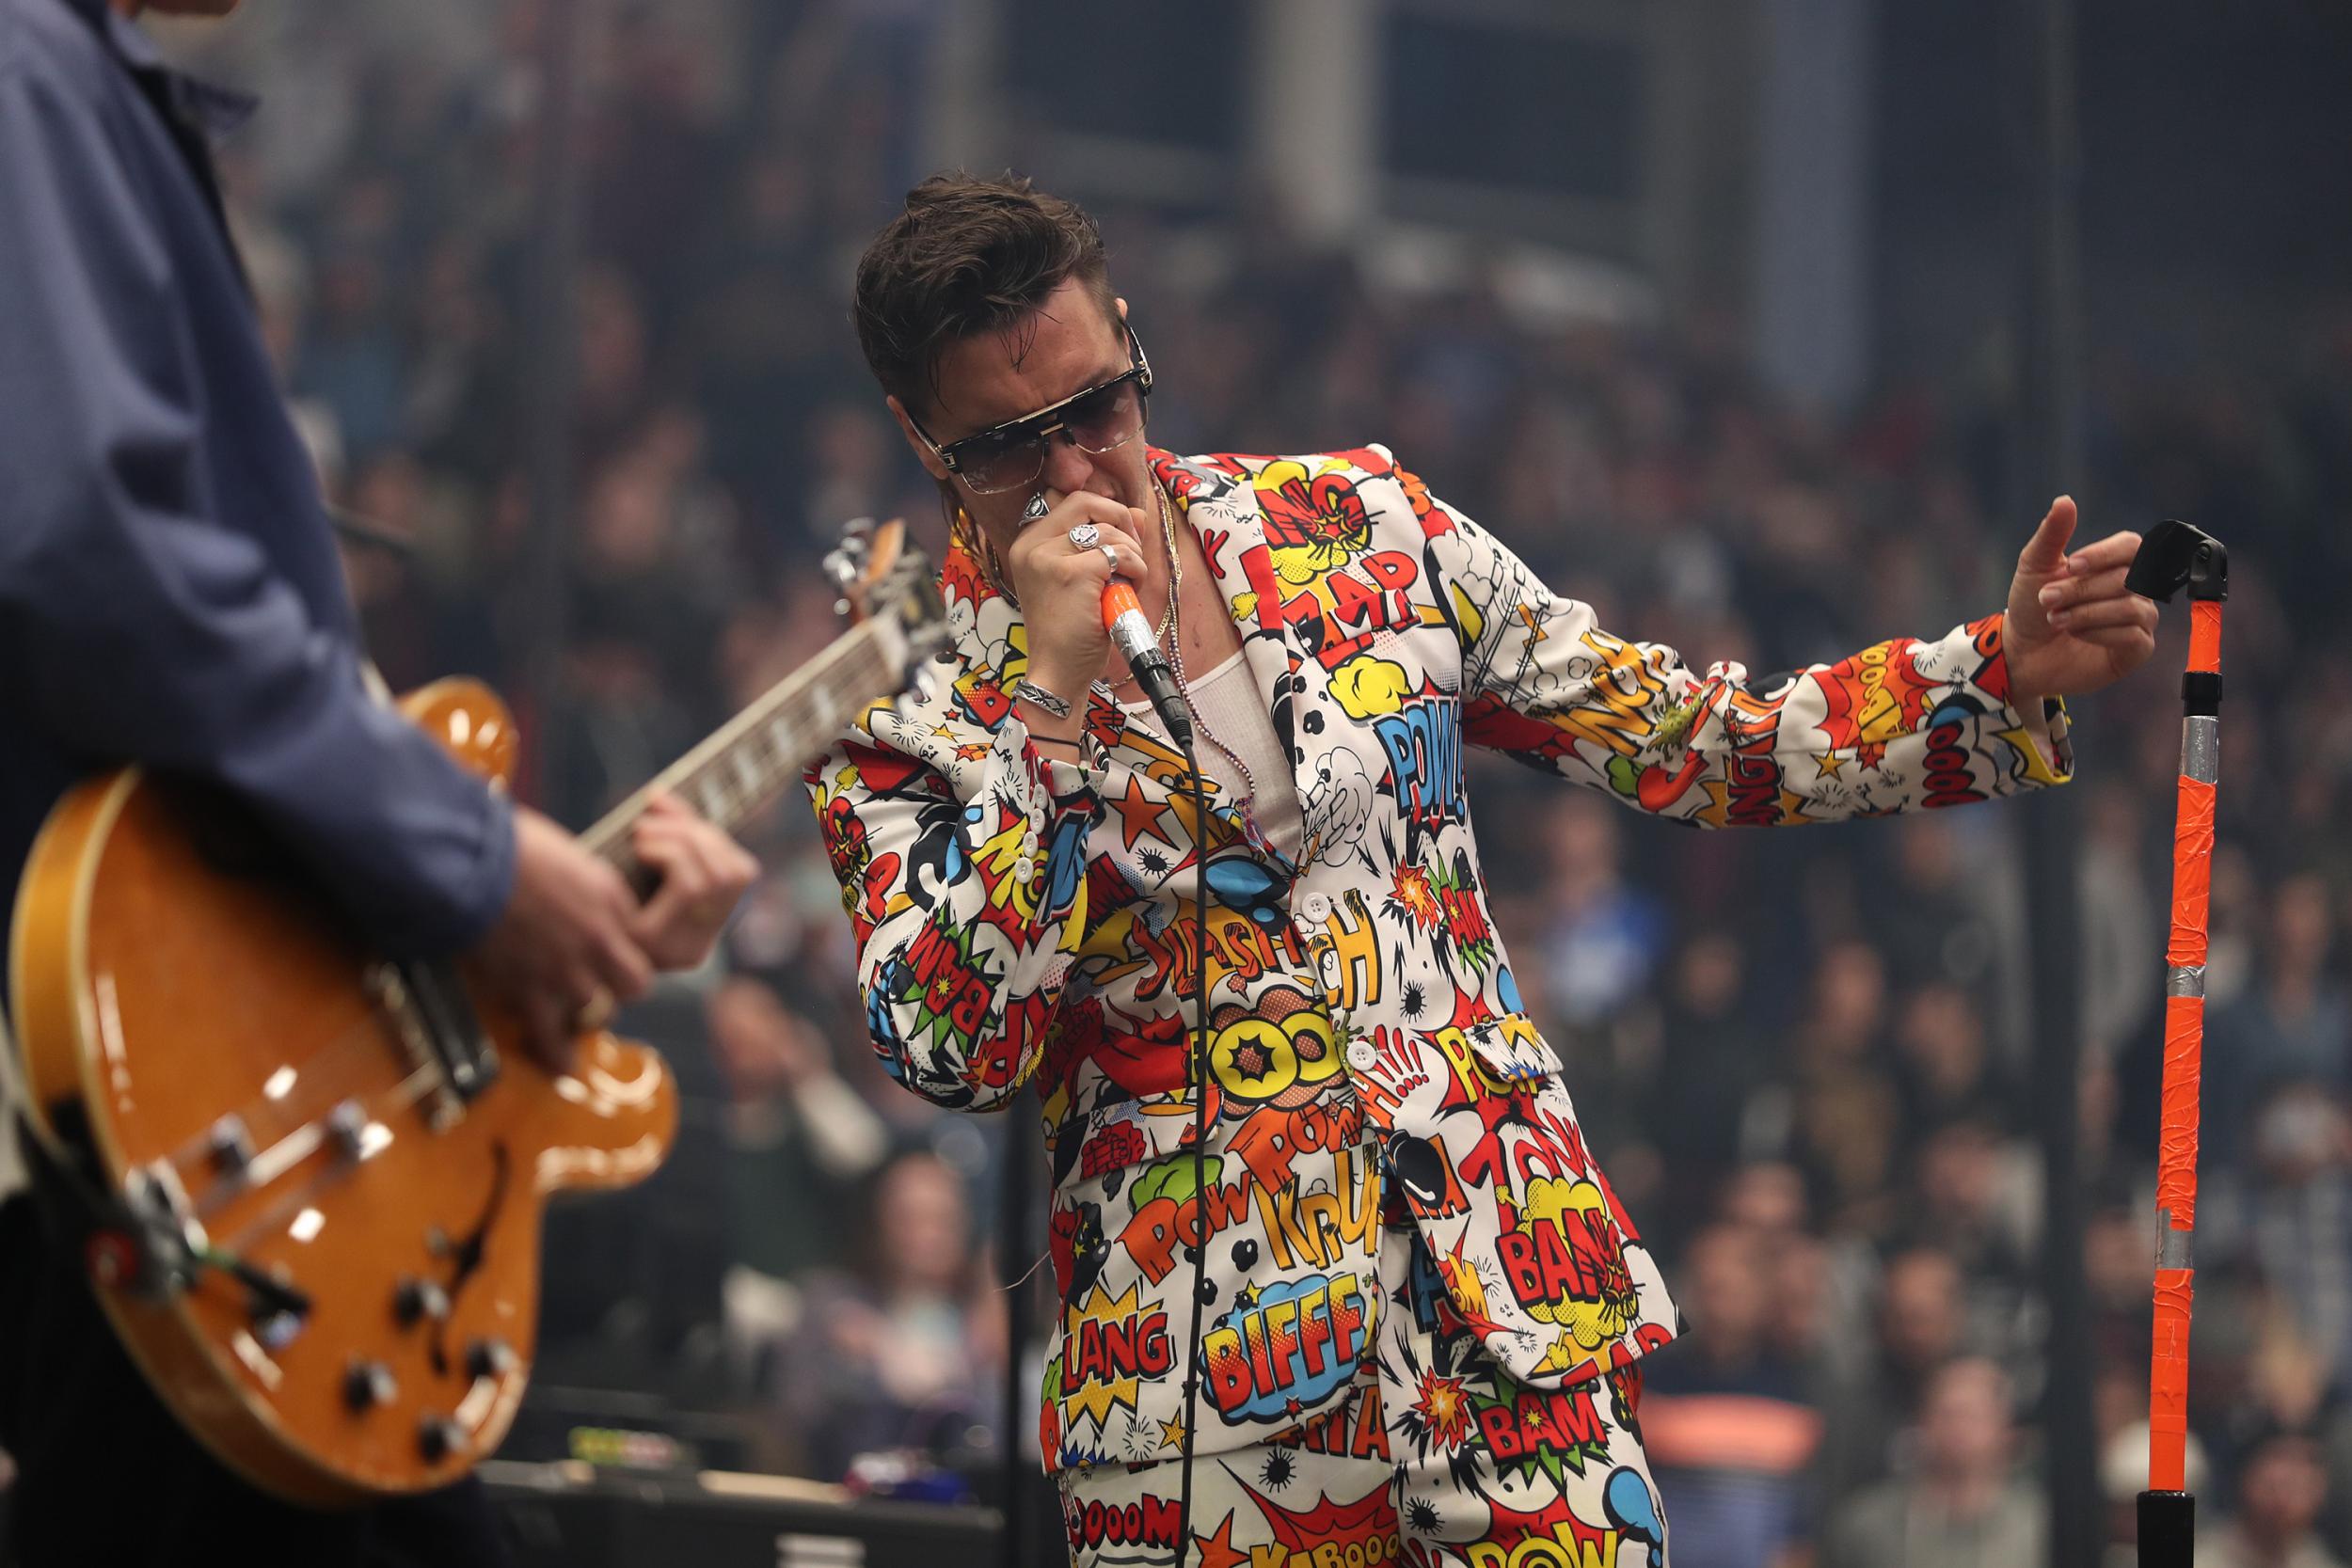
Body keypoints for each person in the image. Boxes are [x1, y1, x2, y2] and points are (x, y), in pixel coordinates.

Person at [804, 172, 2158, 1566]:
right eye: (1013, 450)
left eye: (1101, 408)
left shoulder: (1361, 527)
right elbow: (953, 1050)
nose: (1082, 470)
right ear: (922, 437)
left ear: (1135, 343)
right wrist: (1049, 707)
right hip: (1200, 1394)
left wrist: (1984, 680)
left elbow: (1689, 740)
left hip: (1507, 1298)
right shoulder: (899, 702)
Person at [0, 1, 757, 1563]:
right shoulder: (29, 65)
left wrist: (508, 894)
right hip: (139, 1067)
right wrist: (470, 866)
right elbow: (87, 555)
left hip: (166, 1070)